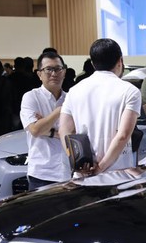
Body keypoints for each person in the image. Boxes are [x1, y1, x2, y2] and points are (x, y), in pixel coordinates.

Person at [59, 38, 141, 175]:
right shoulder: (130, 91)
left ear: (92, 63)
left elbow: (64, 130)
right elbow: (123, 135)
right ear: (120, 61)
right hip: (118, 174)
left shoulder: (75, 90)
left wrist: (76, 161)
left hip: (83, 173)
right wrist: (100, 168)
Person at [20, 50, 70, 190]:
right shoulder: (31, 97)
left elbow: (76, 133)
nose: (54, 74)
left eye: (58, 69)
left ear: (64, 72)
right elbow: (35, 130)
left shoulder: (72, 98)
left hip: (68, 171)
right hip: (42, 174)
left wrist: (46, 128)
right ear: (39, 74)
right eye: (49, 69)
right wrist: (59, 111)